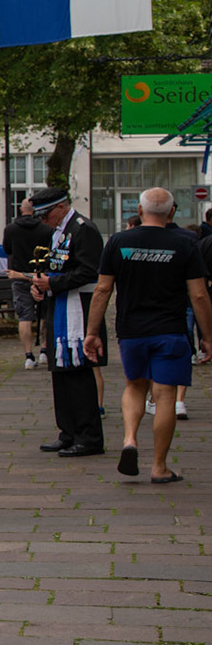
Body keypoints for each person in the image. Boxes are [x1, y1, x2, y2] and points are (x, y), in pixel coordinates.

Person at [85, 188, 212, 483]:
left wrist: (92, 332)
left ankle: (130, 438)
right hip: (170, 330)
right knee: (165, 394)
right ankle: (159, 467)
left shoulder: (119, 242)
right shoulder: (185, 243)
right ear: (172, 212)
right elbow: (199, 295)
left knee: (134, 386)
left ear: (140, 211)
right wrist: (207, 335)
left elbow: (103, 289)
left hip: (132, 330)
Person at [32, 186, 107, 458]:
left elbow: (88, 271)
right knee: (60, 372)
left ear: (61, 207)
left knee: (78, 375)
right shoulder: (59, 231)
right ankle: (68, 432)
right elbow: (55, 267)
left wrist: (52, 284)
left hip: (79, 309)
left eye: (46, 215)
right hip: (60, 306)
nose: (43, 221)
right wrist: (40, 285)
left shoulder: (83, 229)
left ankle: (89, 436)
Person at [3, 196, 53, 368]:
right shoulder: (46, 229)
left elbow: (7, 249)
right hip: (42, 276)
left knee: (25, 316)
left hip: (19, 275)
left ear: (20, 210)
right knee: (45, 314)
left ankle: (28, 355)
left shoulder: (11, 229)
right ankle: (44, 351)